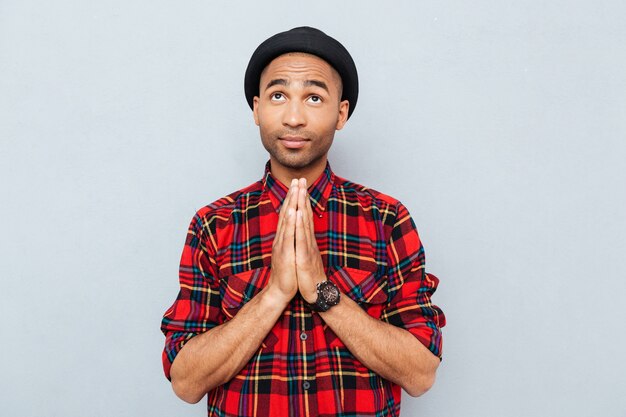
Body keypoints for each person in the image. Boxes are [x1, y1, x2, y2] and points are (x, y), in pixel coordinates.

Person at [161, 26, 446, 417]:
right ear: (258, 108)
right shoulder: (214, 225)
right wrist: (275, 293)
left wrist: (321, 290)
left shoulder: (386, 220)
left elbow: (420, 373)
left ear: (341, 113)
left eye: (314, 97)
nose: (294, 117)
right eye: (279, 96)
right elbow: (186, 381)